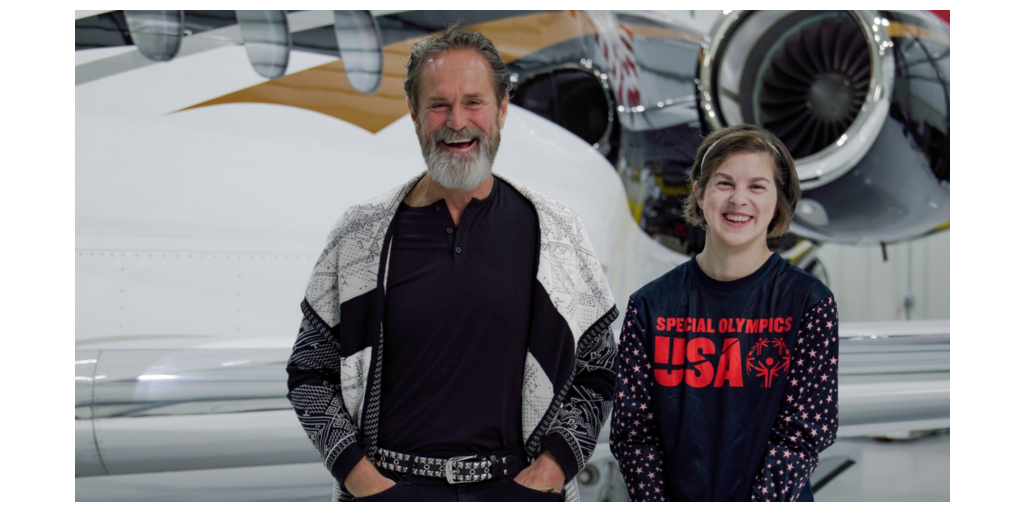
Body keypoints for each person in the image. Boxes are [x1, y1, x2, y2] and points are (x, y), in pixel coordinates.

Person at [285, 27, 618, 502]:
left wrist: (554, 465)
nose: (457, 122)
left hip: (518, 490)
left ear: (502, 109)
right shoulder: (360, 235)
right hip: (392, 492)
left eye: (474, 102)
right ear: (414, 113)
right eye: (439, 104)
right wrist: (359, 477)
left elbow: (598, 368)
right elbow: (310, 371)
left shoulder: (556, 233)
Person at [609, 125, 839, 501]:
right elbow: (634, 433)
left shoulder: (809, 304)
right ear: (699, 193)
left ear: (779, 202)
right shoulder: (650, 306)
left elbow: (803, 432)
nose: (738, 199)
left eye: (757, 186)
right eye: (724, 183)